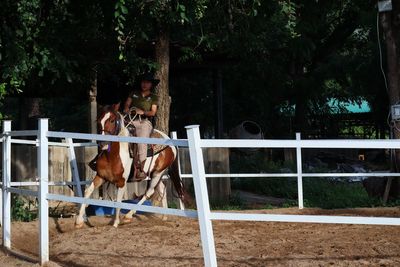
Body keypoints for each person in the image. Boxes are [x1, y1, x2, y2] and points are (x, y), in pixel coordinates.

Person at [124, 73, 159, 180]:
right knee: (115, 128)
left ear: (151, 85)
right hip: (129, 119)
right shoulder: (134, 93)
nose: (144, 84)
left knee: (142, 137)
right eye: (143, 82)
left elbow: (153, 112)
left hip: (143, 121)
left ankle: (141, 168)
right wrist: (126, 109)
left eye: (147, 82)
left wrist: (142, 112)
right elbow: (127, 105)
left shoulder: (153, 97)